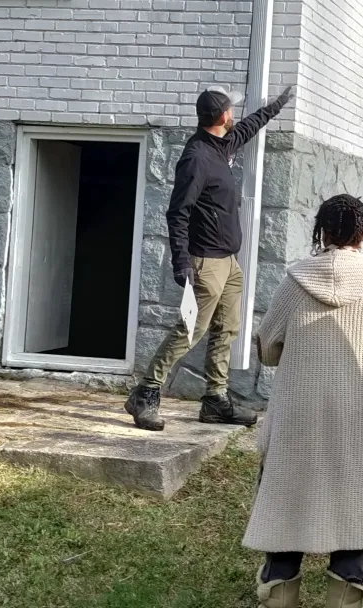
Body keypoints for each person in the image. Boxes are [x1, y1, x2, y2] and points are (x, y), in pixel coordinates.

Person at [246, 195, 363, 608]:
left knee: (284, 522)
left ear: (321, 232)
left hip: (298, 420)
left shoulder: (294, 283)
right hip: (359, 420)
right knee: (351, 528)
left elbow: (267, 349)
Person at [124, 84, 295, 432]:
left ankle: (215, 400)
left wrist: (276, 106)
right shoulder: (197, 157)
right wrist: (181, 262)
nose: (234, 114)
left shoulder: (222, 144)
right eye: (230, 110)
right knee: (190, 330)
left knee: (226, 330)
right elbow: (178, 213)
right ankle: (146, 393)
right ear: (221, 117)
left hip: (229, 263)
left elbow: (247, 128)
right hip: (204, 264)